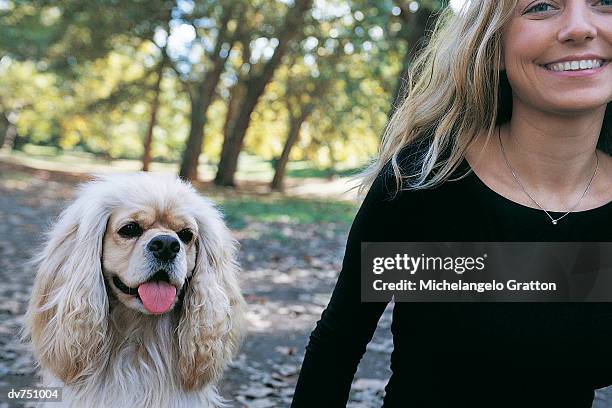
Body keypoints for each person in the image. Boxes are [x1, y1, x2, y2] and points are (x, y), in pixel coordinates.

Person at [291, 0, 612, 407]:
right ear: (492, 47)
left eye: (606, 2)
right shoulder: (422, 184)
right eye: (542, 6)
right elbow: (339, 345)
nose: (579, 28)